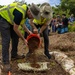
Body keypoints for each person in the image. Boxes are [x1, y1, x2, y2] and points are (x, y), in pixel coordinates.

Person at [0, 2, 40, 72]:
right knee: (6, 39)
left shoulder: (25, 13)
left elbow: (22, 23)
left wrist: (28, 32)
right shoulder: (20, 13)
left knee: (15, 37)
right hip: (3, 17)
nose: (32, 18)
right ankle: (5, 62)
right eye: (32, 16)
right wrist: (24, 39)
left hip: (10, 20)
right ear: (29, 11)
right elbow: (15, 28)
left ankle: (14, 54)